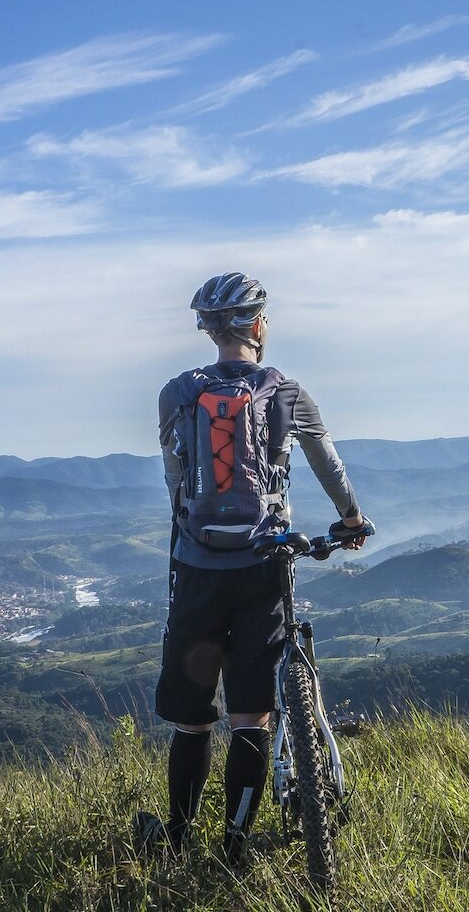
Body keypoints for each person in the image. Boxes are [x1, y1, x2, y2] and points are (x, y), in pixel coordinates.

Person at [134, 271, 367, 863]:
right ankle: (235, 845)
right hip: (264, 566)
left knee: (191, 720)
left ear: (208, 329)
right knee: (251, 716)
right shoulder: (286, 390)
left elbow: (173, 479)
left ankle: (179, 842)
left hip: (195, 569)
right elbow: (328, 465)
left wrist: (194, 534)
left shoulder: (176, 392)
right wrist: (350, 519)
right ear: (258, 325)